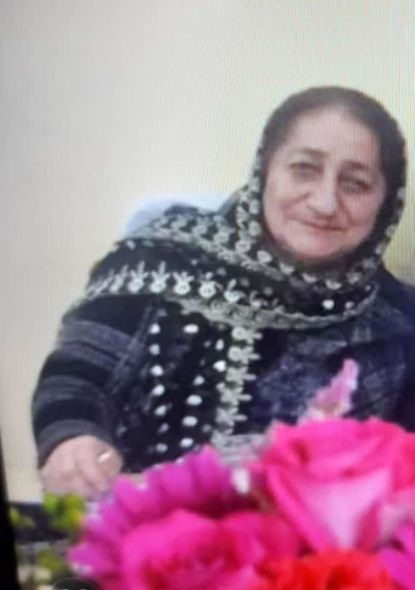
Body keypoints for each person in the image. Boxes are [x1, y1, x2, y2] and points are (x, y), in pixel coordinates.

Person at [32, 86, 415, 499]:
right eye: (304, 169)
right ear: (265, 172)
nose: (324, 202)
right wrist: (73, 442)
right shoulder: (161, 258)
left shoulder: (400, 325)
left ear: (385, 203)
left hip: (299, 537)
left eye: (355, 184)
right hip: (131, 518)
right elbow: (80, 377)